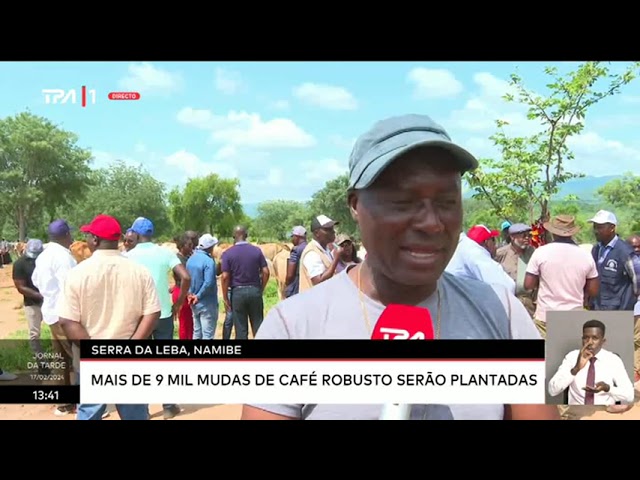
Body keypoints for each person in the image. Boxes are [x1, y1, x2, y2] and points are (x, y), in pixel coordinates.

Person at [241, 113, 557, 420]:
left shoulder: (502, 313)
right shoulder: (292, 328)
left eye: (447, 202)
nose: (432, 224)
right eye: (402, 203)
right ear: (355, 205)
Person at [57, 214, 161, 420]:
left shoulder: (78, 273)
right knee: (135, 414)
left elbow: (67, 321)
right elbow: (152, 312)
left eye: (88, 235)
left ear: (95, 240)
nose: (86, 240)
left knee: (89, 412)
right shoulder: (139, 272)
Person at [125, 217, 190, 419]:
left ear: (135, 234)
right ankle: (169, 406)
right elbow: (186, 277)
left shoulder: (128, 256)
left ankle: (142, 408)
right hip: (163, 314)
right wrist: (178, 303)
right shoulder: (165, 253)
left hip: (139, 317)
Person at [524, 215, 599, 338]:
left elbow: (528, 285)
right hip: (573, 317)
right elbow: (593, 290)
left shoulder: (541, 252)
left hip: (545, 316)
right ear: (572, 233)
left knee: (545, 355)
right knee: (568, 354)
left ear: (553, 232)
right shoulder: (585, 255)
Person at [31, 219, 77, 416]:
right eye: (71, 234)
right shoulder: (63, 257)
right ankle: (89, 405)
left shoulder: (43, 255)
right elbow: (71, 285)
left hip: (50, 313)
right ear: (66, 235)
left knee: (60, 360)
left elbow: (35, 280)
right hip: (65, 315)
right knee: (79, 358)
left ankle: (65, 404)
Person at [547, 320, 635, 406]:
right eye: (586, 338)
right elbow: (552, 391)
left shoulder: (613, 360)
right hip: (576, 412)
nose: (589, 342)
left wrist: (608, 388)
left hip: (603, 412)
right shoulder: (572, 357)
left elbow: (629, 396)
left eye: (595, 338)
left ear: (603, 341)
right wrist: (575, 369)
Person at [220, 226, 270, 340]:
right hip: (255, 291)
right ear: (246, 236)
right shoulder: (256, 251)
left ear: (233, 237)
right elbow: (266, 272)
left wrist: (225, 297)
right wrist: (261, 288)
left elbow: (225, 276)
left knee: (241, 330)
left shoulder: (228, 253)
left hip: (237, 293)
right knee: (258, 326)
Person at [588, 210, 635, 311]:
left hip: (618, 309)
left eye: (600, 227)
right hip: (597, 307)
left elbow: (637, 280)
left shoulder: (625, 252)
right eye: (595, 227)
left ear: (612, 228)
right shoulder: (596, 249)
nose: (596, 231)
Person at [446, 226, 515, 294]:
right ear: (487, 242)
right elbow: (506, 286)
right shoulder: (474, 252)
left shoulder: (454, 251)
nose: (495, 245)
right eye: (493, 239)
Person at [12, 239, 45, 358]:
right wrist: (42, 296)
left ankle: (64, 361)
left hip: (51, 302)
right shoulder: (20, 264)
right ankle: (41, 362)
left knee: (59, 331)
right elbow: (21, 287)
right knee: (34, 334)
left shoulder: (47, 261)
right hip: (33, 303)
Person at [495, 223, 537, 317]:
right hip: (508, 303)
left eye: (529, 235)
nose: (527, 238)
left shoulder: (533, 253)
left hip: (529, 305)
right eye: (523, 236)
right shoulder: (500, 254)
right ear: (513, 237)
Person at [186, 234, 218, 340]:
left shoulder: (190, 259)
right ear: (210, 247)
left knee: (197, 332)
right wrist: (198, 296)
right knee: (207, 334)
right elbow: (209, 282)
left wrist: (190, 294)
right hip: (206, 302)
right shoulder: (209, 261)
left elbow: (187, 279)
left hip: (193, 302)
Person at [298, 215, 342, 292]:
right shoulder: (311, 253)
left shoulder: (325, 249)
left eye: (332, 228)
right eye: (328, 229)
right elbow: (318, 281)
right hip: (314, 302)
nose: (333, 231)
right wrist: (336, 259)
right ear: (317, 233)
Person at [172, 233, 195, 340]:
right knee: (185, 324)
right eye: (189, 245)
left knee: (190, 323)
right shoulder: (178, 260)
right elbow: (182, 279)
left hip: (184, 291)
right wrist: (188, 293)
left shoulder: (186, 258)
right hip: (182, 292)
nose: (192, 247)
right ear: (182, 246)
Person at [284, 226, 308, 298]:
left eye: (292, 237)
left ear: (297, 236)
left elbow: (290, 275)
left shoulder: (296, 250)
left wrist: (287, 284)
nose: (292, 239)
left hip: (296, 286)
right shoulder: (309, 247)